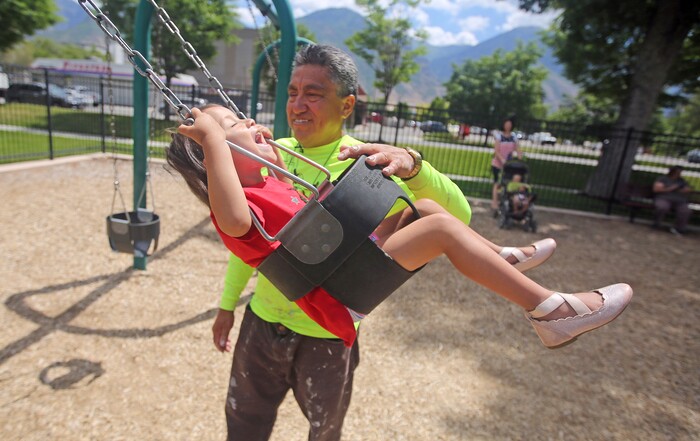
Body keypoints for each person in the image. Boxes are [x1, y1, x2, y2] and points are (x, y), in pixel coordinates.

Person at [202, 44, 556, 441]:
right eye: (292, 93)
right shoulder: (269, 155)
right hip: (263, 321)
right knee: (244, 423)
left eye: (313, 94)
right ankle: (523, 278)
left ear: (346, 104)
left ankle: (508, 264)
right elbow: (249, 241)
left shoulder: (366, 161)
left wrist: (416, 165)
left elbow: (458, 217)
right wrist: (227, 304)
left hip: (325, 334)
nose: (298, 105)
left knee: (324, 430)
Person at [169, 103, 633, 350]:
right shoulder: (233, 209)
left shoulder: (274, 182)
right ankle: (553, 313)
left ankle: (497, 255)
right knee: (441, 234)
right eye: (231, 124)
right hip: (334, 296)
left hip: (342, 264)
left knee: (425, 211)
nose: (249, 121)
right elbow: (233, 217)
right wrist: (210, 135)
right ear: (210, 158)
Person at [491, 117, 522, 215]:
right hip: (498, 164)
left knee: (509, 182)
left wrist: (520, 157)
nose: (508, 126)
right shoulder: (499, 136)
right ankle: (495, 203)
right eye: (506, 124)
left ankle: (507, 201)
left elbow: (517, 148)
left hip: (509, 165)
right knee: (498, 183)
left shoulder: (513, 137)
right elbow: (496, 151)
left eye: (509, 124)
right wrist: (502, 160)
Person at [652, 165, 693, 235]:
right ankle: (656, 223)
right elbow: (656, 189)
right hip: (664, 198)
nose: (678, 174)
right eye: (677, 172)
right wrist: (671, 188)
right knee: (662, 207)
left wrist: (685, 190)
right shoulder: (663, 179)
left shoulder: (681, 181)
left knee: (685, 211)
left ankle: (679, 228)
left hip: (679, 200)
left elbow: (687, 189)